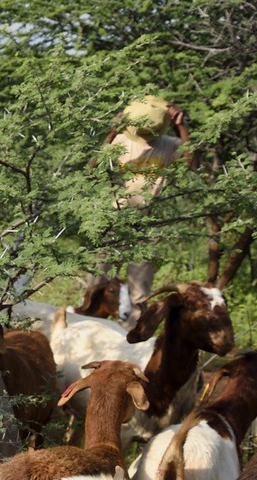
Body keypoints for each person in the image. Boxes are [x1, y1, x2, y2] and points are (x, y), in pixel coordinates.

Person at [97, 96, 191, 321]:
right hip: (115, 219)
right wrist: (113, 130)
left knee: (139, 288)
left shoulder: (169, 144)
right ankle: (91, 324)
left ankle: (131, 333)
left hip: (148, 224)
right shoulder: (121, 140)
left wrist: (181, 126)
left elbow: (190, 161)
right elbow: (95, 164)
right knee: (99, 279)